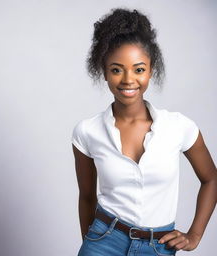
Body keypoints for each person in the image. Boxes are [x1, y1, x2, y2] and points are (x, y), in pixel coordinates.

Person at [71, 7, 217, 256]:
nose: (128, 79)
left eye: (139, 69)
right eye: (117, 69)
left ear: (151, 70)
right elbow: (86, 197)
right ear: (104, 72)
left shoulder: (179, 127)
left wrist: (194, 235)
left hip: (158, 247)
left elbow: (211, 179)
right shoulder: (87, 131)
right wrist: (92, 243)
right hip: (105, 241)